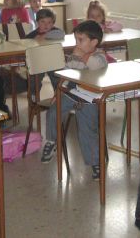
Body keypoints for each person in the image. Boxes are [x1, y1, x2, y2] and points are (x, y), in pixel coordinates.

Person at [41, 20, 108, 180]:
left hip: (90, 97)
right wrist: (58, 91)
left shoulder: (100, 56)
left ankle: (95, 162)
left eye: (81, 40)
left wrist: (83, 56)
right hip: (71, 92)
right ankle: (52, 141)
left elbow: (95, 66)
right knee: (53, 112)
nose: (77, 44)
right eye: (76, 40)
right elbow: (66, 75)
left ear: (94, 42)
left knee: (86, 129)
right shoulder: (74, 57)